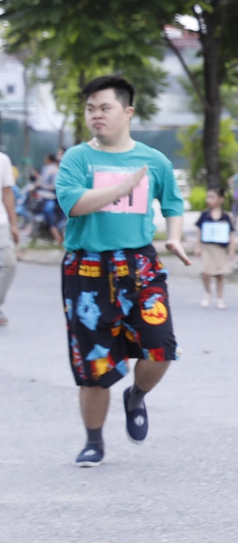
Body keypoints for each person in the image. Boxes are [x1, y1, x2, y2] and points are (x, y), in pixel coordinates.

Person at [55, 75, 191, 466]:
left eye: (104, 108)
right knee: (93, 364)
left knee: (161, 347)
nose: (96, 115)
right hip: (87, 267)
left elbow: (173, 202)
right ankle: (94, 440)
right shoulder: (78, 158)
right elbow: (74, 204)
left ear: (127, 112)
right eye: (90, 109)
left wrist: (176, 236)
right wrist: (120, 188)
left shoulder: (153, 160)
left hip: (139, 263)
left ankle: (137, 395)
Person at [192, 186, 236, 309]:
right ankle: (207, 292)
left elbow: (231, 234)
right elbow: (199, 232)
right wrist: (197, 247)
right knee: (205, 273)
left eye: (212, 197)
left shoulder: (226, 217)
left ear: (221, 199)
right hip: (207, 248)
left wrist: (232, 250)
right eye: (208, 197)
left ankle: (220, 298)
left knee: (220, 274)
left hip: (220, 249)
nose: (209, 200)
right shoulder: (204, 215)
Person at [0, 144, 17, 326]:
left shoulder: (3, 160)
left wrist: (14, 224)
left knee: (9, 263)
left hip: (1, 222)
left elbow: (7, 193)